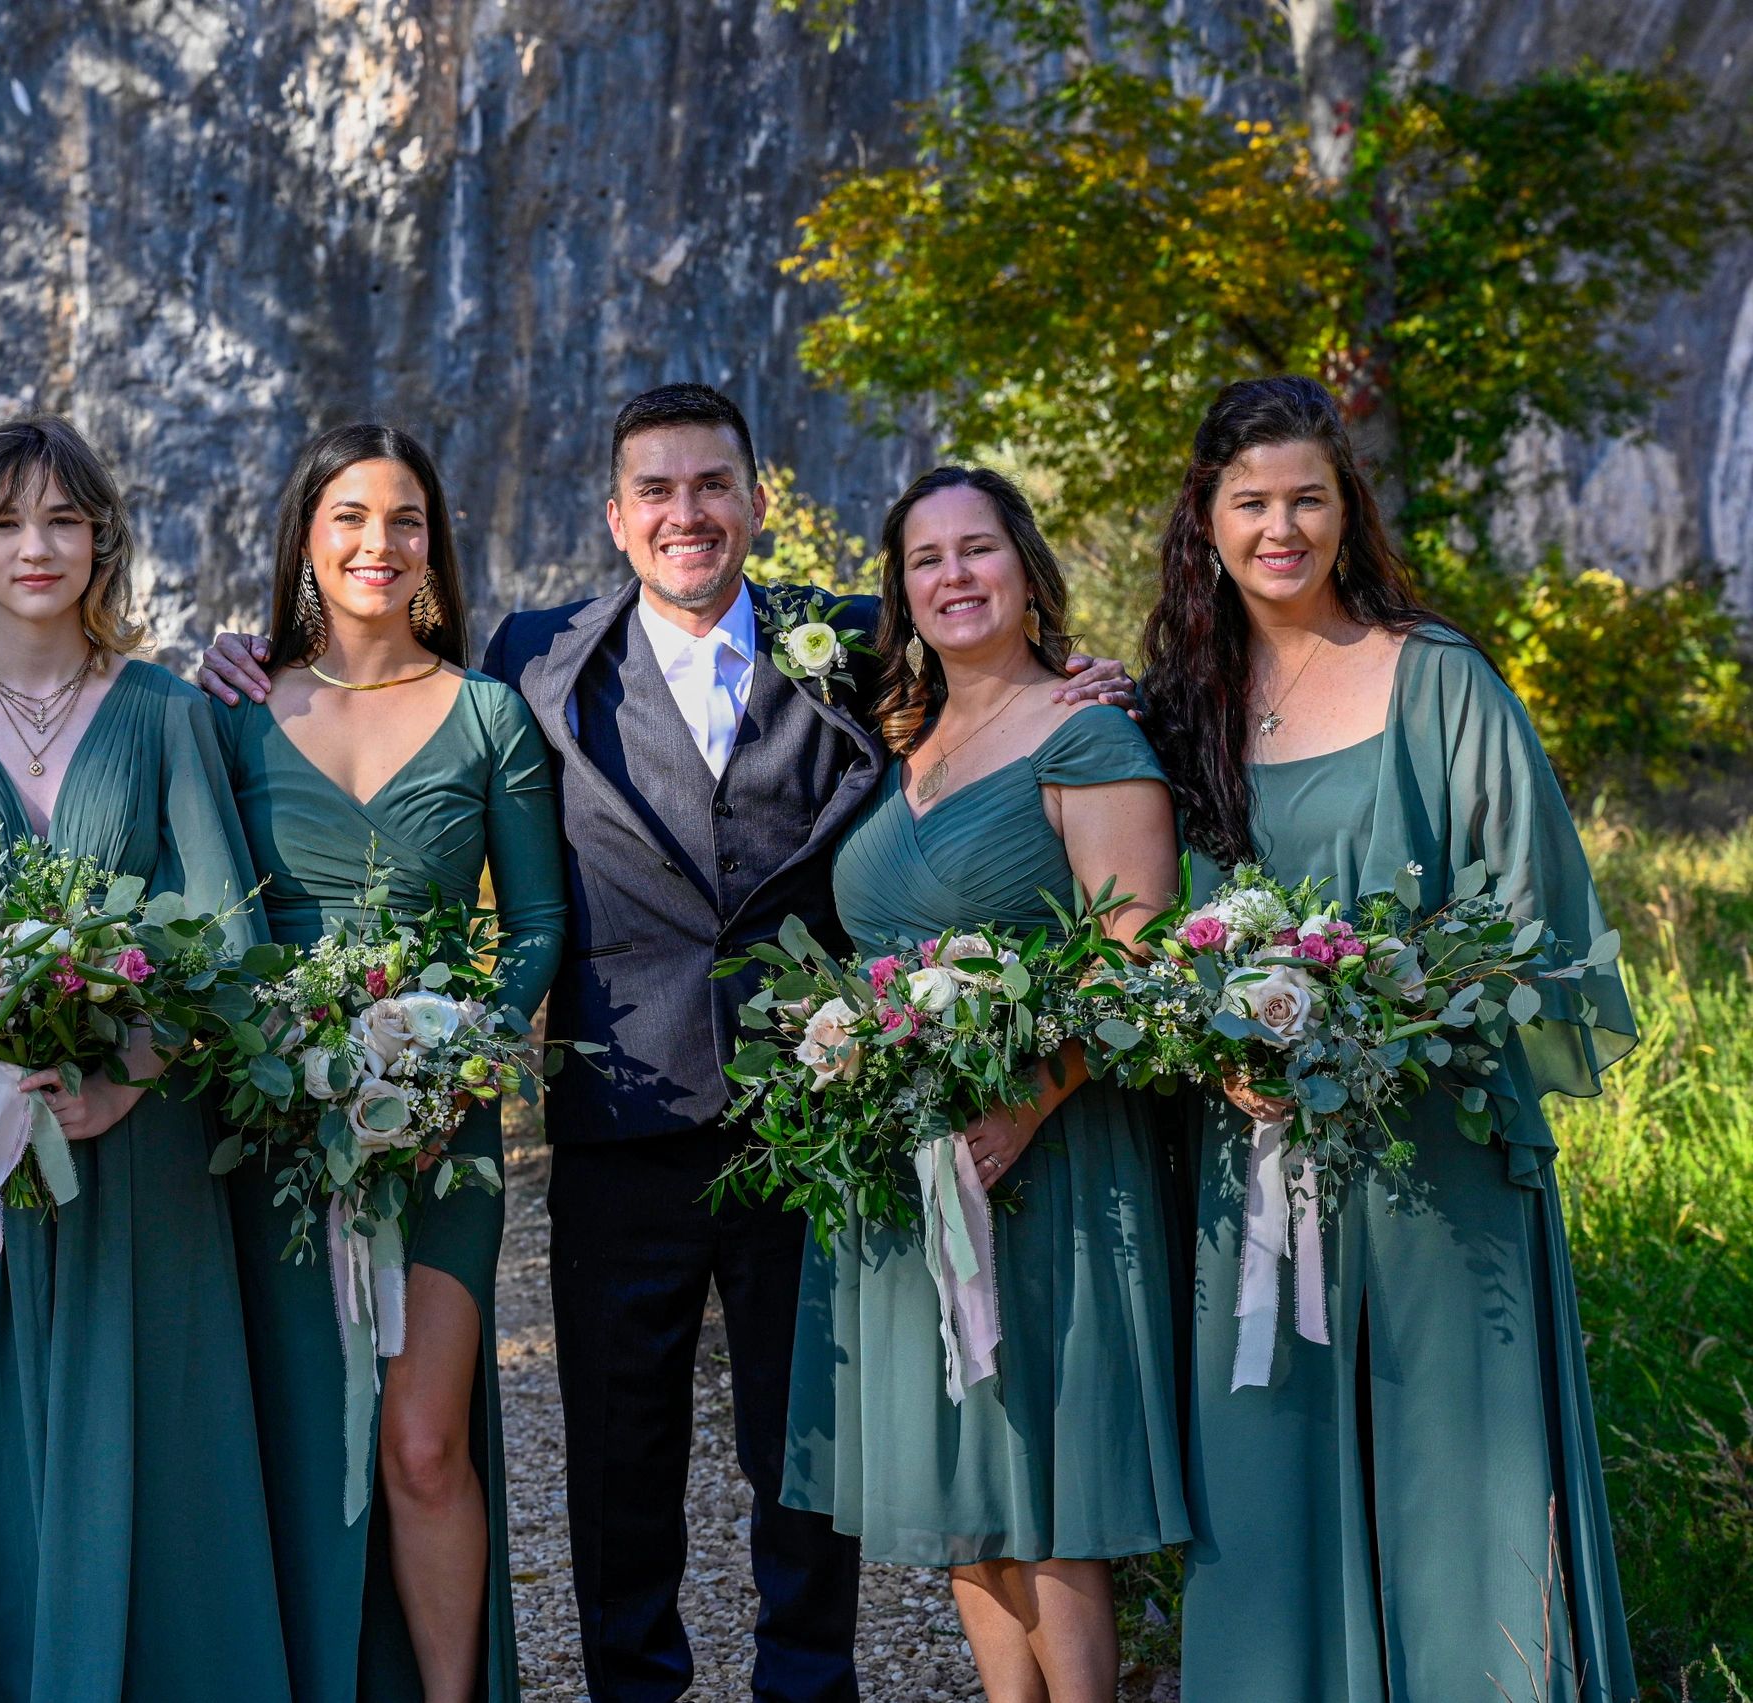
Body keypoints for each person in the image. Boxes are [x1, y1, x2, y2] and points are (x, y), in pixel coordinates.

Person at [201, 383, 1136, 1702]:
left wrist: (1105, 676)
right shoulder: (535, 655)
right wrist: (234, 654)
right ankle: (636, 1683)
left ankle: (809, 1683)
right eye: (657, 490)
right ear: (615, 517)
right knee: (618, 1450)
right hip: (620, 1115)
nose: (685, 512)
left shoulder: (860, 643)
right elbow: (374, 663)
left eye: (711, 486)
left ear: (755, 501)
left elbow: (1005, 689)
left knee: (801, 1440)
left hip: (809, 1109)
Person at [1136, 375, 1638, 1702]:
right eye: (1251, 502)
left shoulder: (1441, 679)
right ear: (1206, 516)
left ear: (1348, 510)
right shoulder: (1173, 712)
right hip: (1248, 1177)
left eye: (1308, 496)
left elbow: (1536, 924)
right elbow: (1127, 929)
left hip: (1433, 1165)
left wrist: (1365, 1013)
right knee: (1266, 1493)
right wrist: (1212, 1041)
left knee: (1450, 1499)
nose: (1280, 526)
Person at [0, 415, 290, 1701]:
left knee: (138, 1455)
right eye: (6, 521)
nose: (37, 546)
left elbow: (223, 935)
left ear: (102, 540)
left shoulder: (161, 711)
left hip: (133, 1153)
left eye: (65, 520)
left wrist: (125, 1078)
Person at [782, 466, 1189, 1703]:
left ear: (1025, 565)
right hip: (914, 1162)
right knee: (965, 1492)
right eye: (924, 559)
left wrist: (1020, 1104)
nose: (953, 576)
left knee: (1047, 1493)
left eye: (977, 549)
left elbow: (1138, 963)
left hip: (1046, 1156)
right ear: (897, 593)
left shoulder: (1088, 731)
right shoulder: (906, 738)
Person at [208, 422, 566, 1702]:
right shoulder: (229, 712)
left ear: (435, 544)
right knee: (298, 1437)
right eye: (350, 515)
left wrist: (460, 1059)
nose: (378, 543)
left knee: (422, 1443)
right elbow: (199, 921)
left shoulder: (487, 716)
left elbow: (532, 927)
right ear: (305, 533)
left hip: (437, 1124)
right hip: (269, 1124)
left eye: (405, 518)